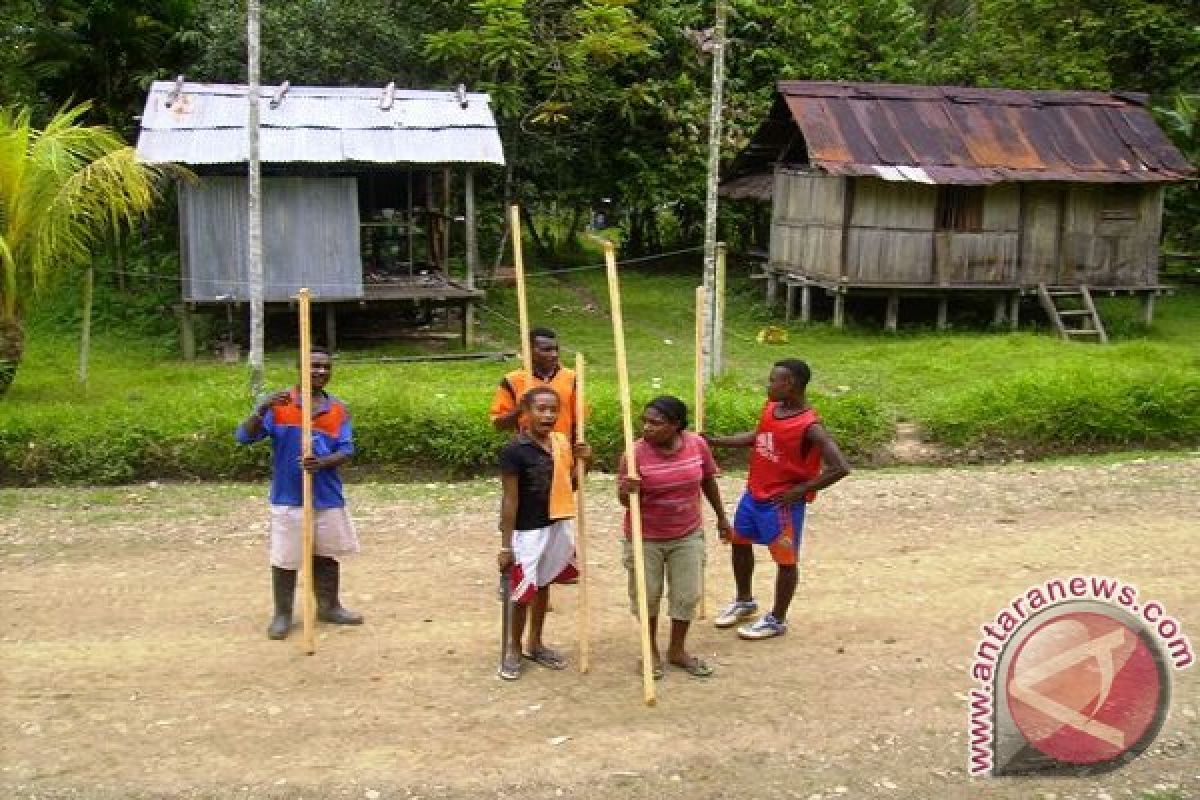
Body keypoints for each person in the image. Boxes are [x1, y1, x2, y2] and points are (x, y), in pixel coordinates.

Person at [705, 359, 850, 641]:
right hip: (754, 493)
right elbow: (758, 438)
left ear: (790, 384)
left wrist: (802, 489)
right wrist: (714, 441)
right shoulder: (772, 408)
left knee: (785, 560)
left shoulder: (810, 426)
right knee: (740, 543)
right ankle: (745, 601)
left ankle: (777, 619)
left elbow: (840, 467)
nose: (767, 385)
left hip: (781, 504)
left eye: (773, 380)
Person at [235, 348, 363, 640]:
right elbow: (244, 437)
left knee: (326, 554)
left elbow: (346, 450)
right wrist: (262, 408)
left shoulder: (338, 409)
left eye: (325, 367)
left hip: (326, 495)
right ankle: (282, 614)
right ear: (299, 368)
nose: (319, 371)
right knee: (286, 557)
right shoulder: (279, 405)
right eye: (313, 366)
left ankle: (330, 607)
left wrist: (323, 462)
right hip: (289, 496)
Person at [618, 396, 732, 678]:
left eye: (655, 423)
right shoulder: (634, 455)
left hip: (687, 533)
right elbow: (623, 499)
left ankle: (677, 650)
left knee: (687, 593)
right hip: (645, 537)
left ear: (676, 425)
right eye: (644, 422)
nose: (647, 428)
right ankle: (650, 651)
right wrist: (629, 489)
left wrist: (721, 517)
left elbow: (707, 480)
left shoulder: (696, 445)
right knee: (648, 595)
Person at [496, 386, 591, 680]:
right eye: (541, 409)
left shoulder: (561, 443)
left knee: (544, 584)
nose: (548, 415)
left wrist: (588, 460)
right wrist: (505, 545)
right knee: (522, 591)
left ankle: (535, 643)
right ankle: (514, 647)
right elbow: (510, 499)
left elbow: (570, 485)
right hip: (527, 530)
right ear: (526, 412)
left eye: (553, 410)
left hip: (557, 523)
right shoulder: (514, 450)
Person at [489, 327, 578, 438]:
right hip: (528, 451)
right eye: (547, 350)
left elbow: (578, 422)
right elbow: (499, 424)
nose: (554, 354)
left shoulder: (571, 377)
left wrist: (576, 449)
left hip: (562, 450)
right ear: (528, 350)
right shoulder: (512, 380)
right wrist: (520, 410)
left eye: (556, 349)